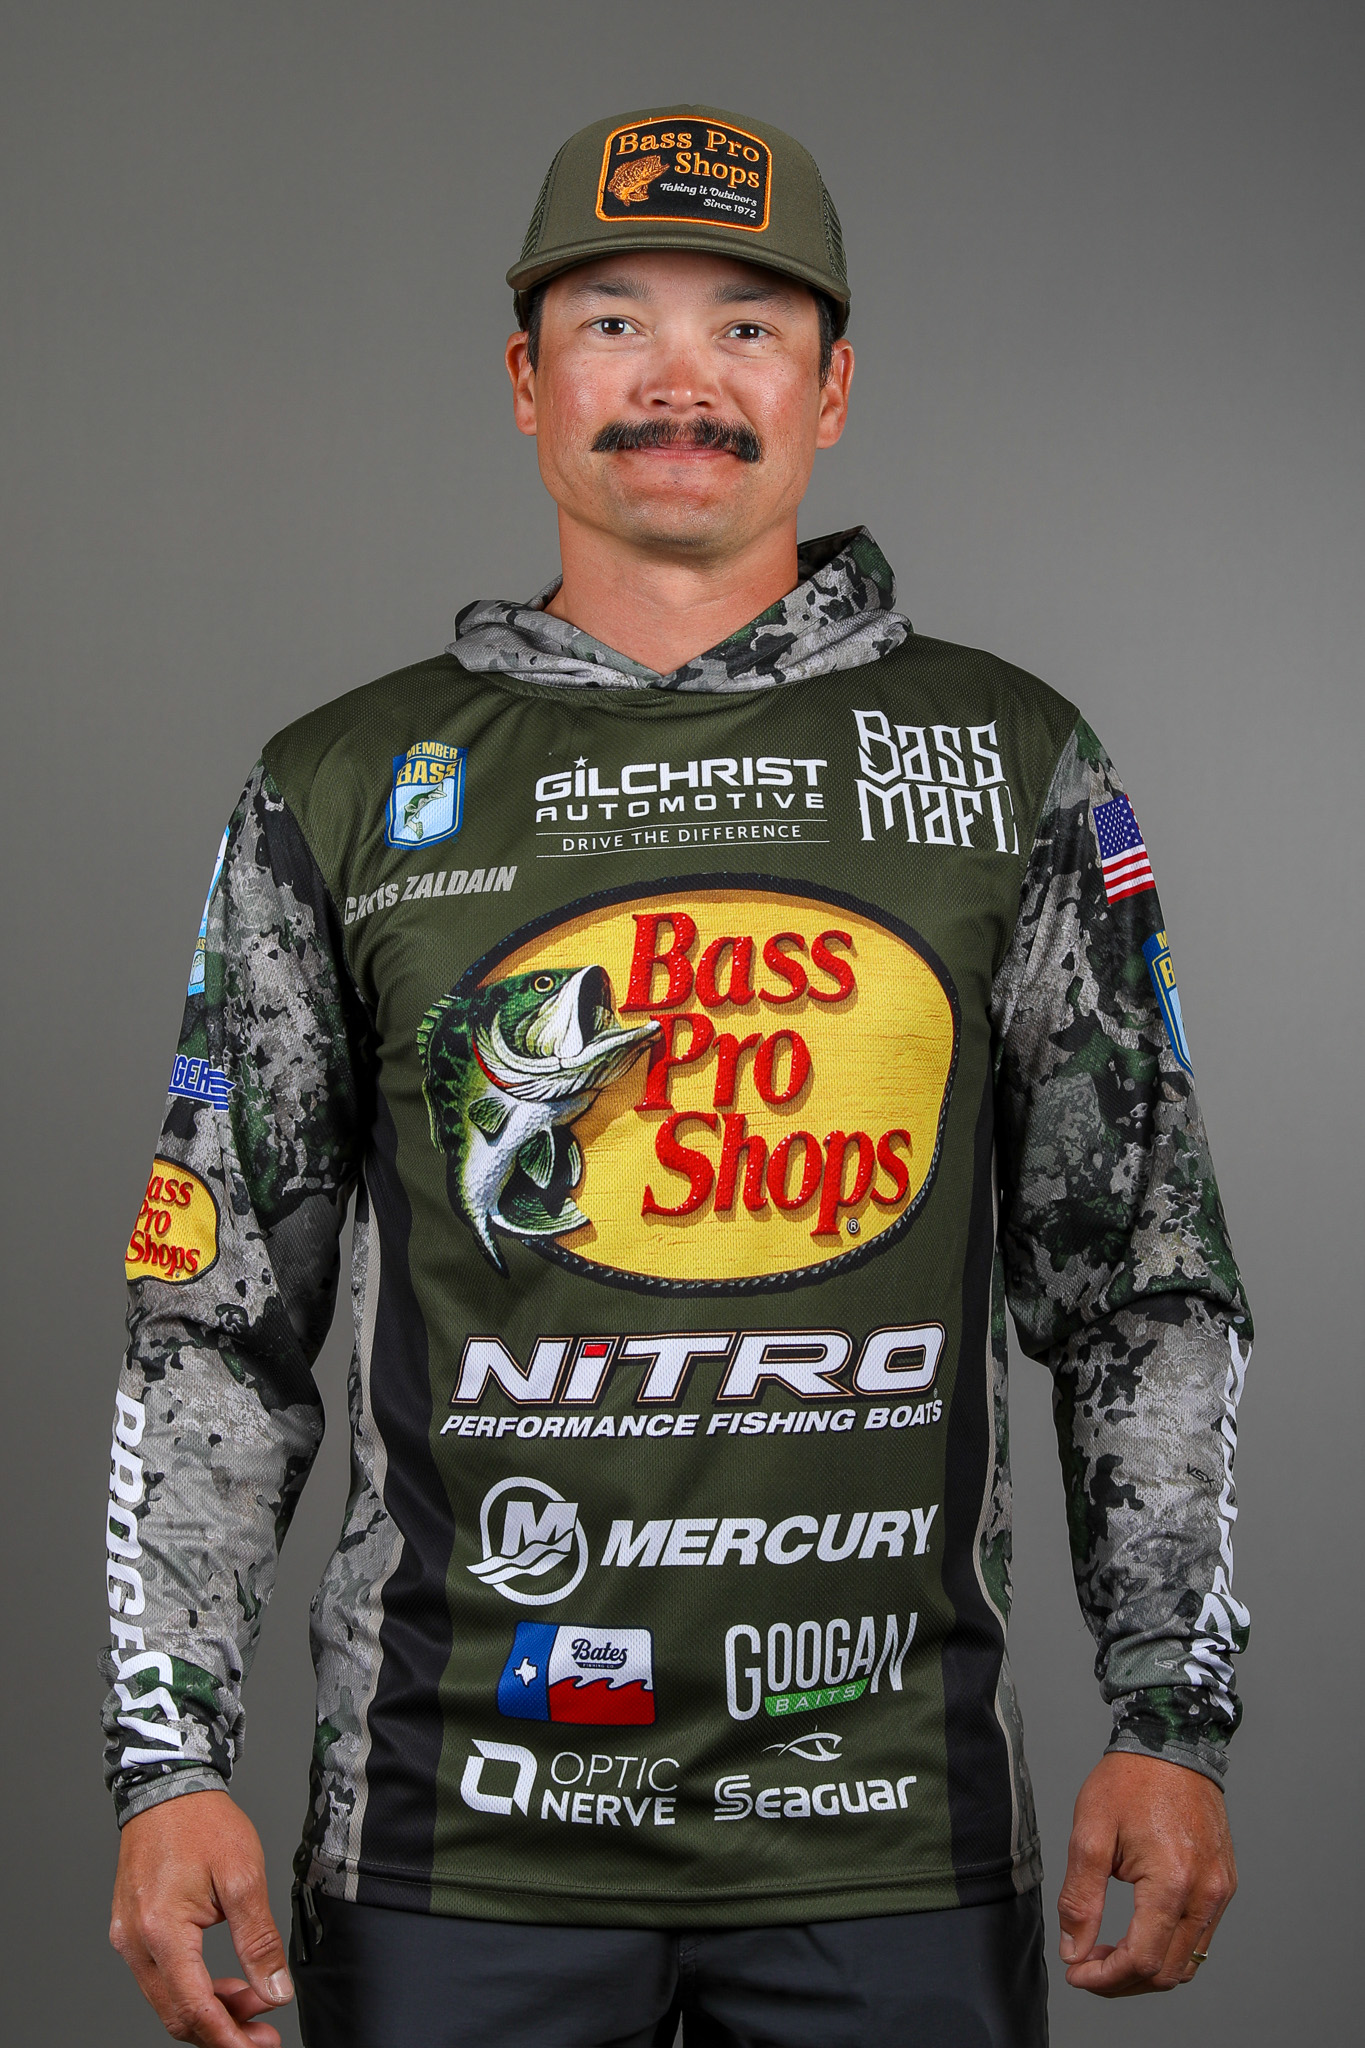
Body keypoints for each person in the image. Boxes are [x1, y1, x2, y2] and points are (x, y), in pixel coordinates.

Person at [104, 104, 1251, 2048]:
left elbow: (1142, 1281)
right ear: (526, 379)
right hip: (454, 1832)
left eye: (745, 327)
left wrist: (1170, 1712)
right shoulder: (342, 783)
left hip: (890, 1828)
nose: (678, 381)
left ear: (828, 388)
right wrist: (166, 1756)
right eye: (613, 321)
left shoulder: (1008, 758)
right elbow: (212, 1322)